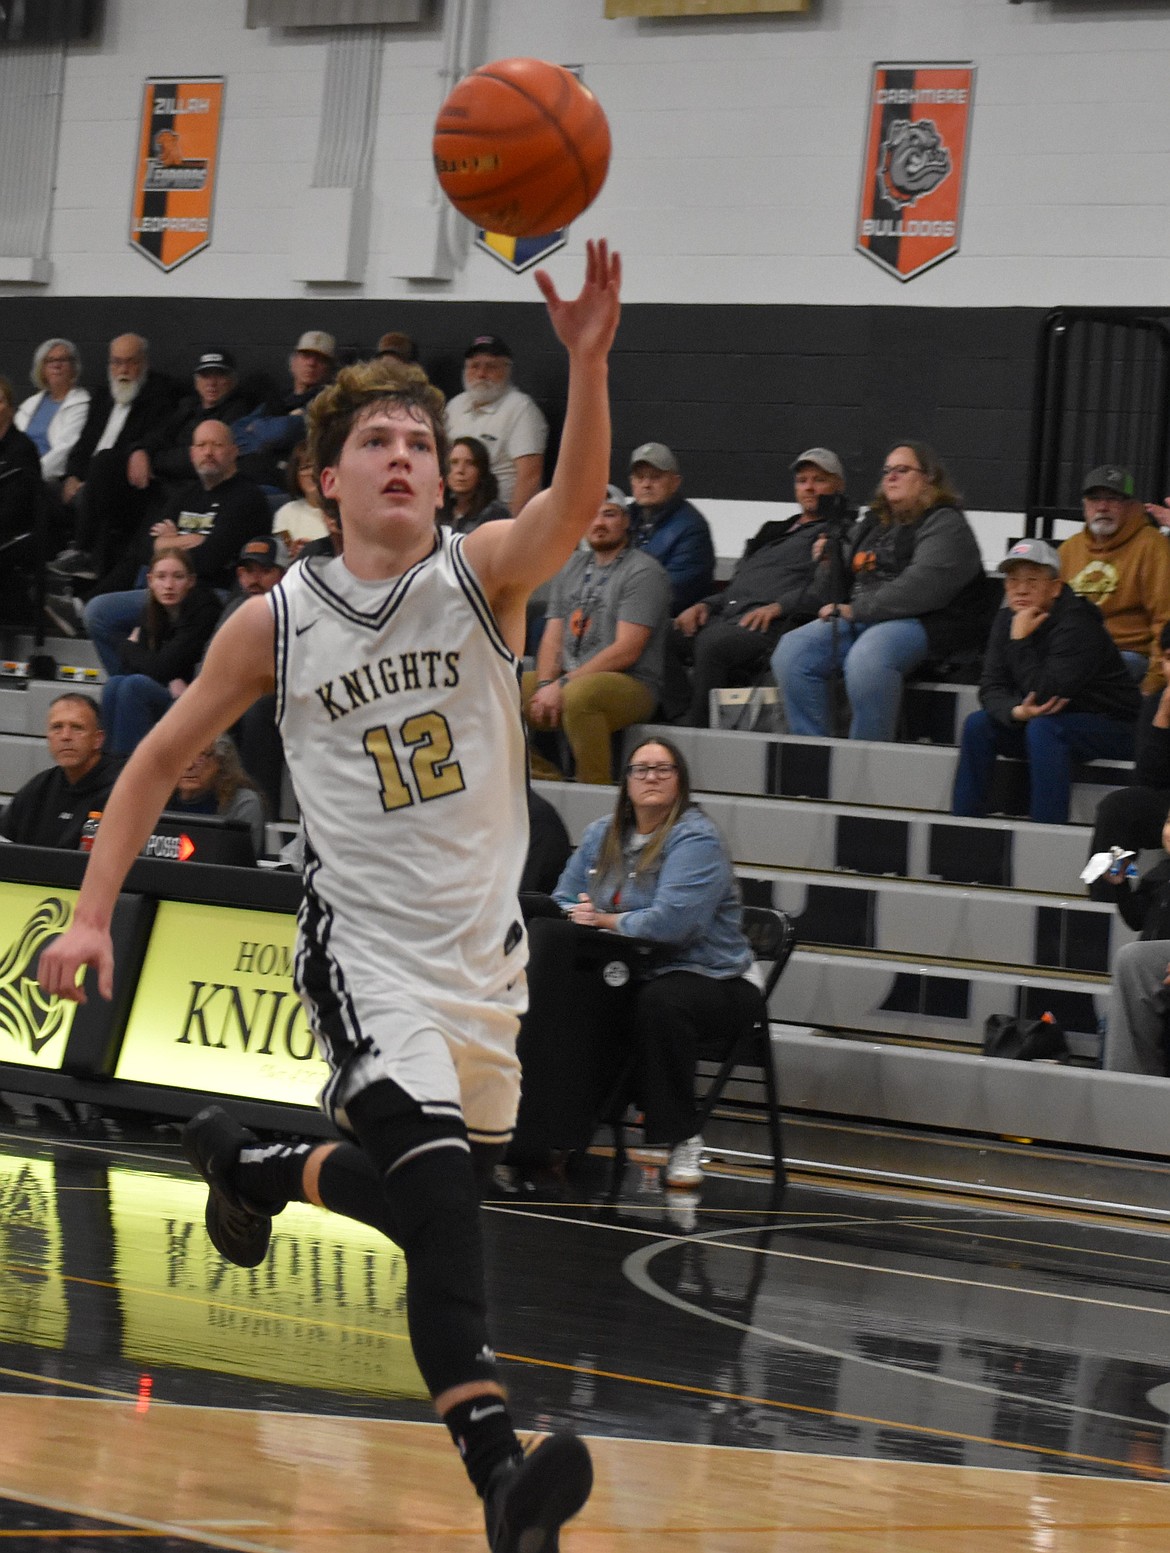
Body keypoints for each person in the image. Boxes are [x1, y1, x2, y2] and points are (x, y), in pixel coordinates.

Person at [38, 239, 622, 1553]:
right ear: (325, 478)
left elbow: (572, 502)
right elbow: (155, 757)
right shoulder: (280, 620)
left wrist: (585, 365)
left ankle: (251, 1160)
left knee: (422, 1193)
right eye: (379, 440)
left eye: (422, 435)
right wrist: (88, 910)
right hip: (358, 945)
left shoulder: (481, 577)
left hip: (484, 958)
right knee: (442, 1200)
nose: (407, 452)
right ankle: (499, 1473)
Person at [551, 737, 764, 1189]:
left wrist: (603, 919)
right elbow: (561, 899)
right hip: (636, 971)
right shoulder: (599, 835)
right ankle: (557, 1130)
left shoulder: (696, 838)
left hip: (716, 980)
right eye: (640, 769)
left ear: (680, 783)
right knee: (574, 994)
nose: (651, 777)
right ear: (625, 782)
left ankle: (683, 1138)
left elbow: (672, 925)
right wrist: (578, 913)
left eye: (663, 769)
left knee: (660, 1003)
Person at [772, 441, 984, 742]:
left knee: (869, 656)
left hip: (928, 622)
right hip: (867, 618)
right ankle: (815, 753)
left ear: (928, 478)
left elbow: (921, 588)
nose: (891, 477)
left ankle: (868, 755)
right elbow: (832, 586)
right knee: (792, 652)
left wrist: (856, 610)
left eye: (902, 470)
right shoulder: (874, 522)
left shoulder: (945, 523)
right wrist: (828, 561)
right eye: (887, 471)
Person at [951, 539, 1140, 826]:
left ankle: (1046, 831)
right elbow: (990, 686)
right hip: (1051, 719)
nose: (1021, 589)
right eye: (1013, 581)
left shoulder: (1078, 624)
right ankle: (963, 826)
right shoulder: (1007, 620)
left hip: (1113, 725)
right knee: (979, 725)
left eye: (1032, 580)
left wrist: (1020, 641)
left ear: (1055, 586)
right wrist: (1016, 712)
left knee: (1045, 729)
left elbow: (1047, 693)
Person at [670, 447, 843, 726]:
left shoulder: (840, 533)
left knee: (712, 645)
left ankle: (697, 727)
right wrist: (705, 604)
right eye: (802, 481)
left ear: (838, 486)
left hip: (775, 625)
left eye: (819, 480)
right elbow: (738, 585)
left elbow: (826, 593)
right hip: (729, 614)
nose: (809, 487)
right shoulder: (772, 530)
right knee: (662, 634)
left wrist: (778, 607)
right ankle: (675, 715)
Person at [80, 420, 271, 659]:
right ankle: (134, 675)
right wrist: (190, 539)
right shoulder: (185, 495)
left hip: (213, 594)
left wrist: (169, 541)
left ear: (234, 451)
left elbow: (210, 559)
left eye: (217, 445)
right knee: (97, 612)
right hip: (167, 589)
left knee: (102, 610)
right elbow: (147, 548)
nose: (208, 452)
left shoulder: (248, 497)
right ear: (192, 454)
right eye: (201, 445)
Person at [522, 487, 671, 784]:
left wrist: (562, 684)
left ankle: (594, 791)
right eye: (591, 515)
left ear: (626, 521)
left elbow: (626, 650)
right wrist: (545, 683)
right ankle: (541, 778)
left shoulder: (644, 572)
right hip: (569, 676)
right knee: (504, 686)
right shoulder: (572, 566)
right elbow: (553, 635)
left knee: (579, 698)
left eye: (609, 514)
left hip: (632, 681)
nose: (599, 523)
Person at [48, 334, 179, 578]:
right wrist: (72, 475)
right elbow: (84, 443)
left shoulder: (159, 395)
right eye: (117, 362)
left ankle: (84, 552)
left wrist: (142, 449)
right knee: (35, 487)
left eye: (130, 362)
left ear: (144, 363)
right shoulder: (102, 396)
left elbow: (163, 433)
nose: (123, 369)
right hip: (89, 480)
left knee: (104, 460)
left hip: (124, 484)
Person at [1059, 464, 1170, 695]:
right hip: (1073, 654)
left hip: (1128, 654)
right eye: (1095, 499)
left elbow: (1165, 619)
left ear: (1132, 506)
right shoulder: (1069, 549)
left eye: (1113, 499)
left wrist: (1153, 682)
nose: (1102, 506)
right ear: (1084, 505)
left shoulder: (1152, 546)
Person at [99, 548, 220, 756]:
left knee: (135, 686)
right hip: (172, 691)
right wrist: (166, 674)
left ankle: (127, 774)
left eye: (178, 577)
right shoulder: (153, 608)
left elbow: (160, 667)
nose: (169, 585)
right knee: (114, 684)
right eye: (161, 577)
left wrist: (129, 647)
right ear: (150, 580)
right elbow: (137, 667)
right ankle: (109, 768)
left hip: (200, 700)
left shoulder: (204, 608)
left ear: (191, 581)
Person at [1087, 621, 1170, 903]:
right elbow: (1146, 782)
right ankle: (1110, 892)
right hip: (1165, 805)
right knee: (1121, 806)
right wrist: (1162, 722)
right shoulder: (1158, 703)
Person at [1099, 807, 1170, 1075]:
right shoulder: (1159, 873)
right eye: (1169, 821)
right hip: (1156, 976)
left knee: (1132, 959)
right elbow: (1137, 919)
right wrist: (1120, 885)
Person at [444, 333, 548, 515]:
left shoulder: (521, 409)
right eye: (474, 366)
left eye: (490, 367)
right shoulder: (455, 406)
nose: (481, 374)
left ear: (507, 370)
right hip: (454, 516)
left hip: (496, 518)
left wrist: (511, 530)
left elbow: (530, 477)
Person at [0, 694, 121, 849]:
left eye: (77, 728)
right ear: (48, 737)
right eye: (57, 727)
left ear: (98, 739)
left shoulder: (120, 788)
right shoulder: (38, 788)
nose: (65, 736)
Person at [232, 330, 336, 496]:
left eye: (320, 359)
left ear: (329, 369)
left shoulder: (328, 401)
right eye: (305, 356)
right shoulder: (279, 398)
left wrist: (257, 430)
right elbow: (235, 431)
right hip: (247, 480)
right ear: (293, 362)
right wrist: (268, 430)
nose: (311, 363)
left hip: (282, 488)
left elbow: (283, 432)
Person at [626, 442, 715, 614]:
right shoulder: (622, 518)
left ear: (675, 482)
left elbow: (674, 591)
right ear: (632, 483)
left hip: (668, 622)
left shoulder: (692, 528)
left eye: (655, 477)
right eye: (640, 477)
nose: (646, 484)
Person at [166, 733, 266, 858]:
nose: (189, 765)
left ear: (221, 762)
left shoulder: (241, 803)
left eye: (200, 755)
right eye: (182, 756)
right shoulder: (155, 801)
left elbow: (238, 866)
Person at [14, 338, 90, 486]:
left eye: (63, 360)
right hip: (15, 472)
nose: (57, 365)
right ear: (42, 369)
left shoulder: (81, 404)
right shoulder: (29, 404)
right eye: (50, 360)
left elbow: (64, 451)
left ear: (74, 367)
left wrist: (28, 474)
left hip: (46, 479)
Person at [0, 375, 42, 550]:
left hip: (11, 538)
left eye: (0, 401)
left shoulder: (22, 449)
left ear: (11, 410)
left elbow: (16, 509)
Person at [441, 435, 510, 536]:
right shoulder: (437, 512)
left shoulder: (496, 515)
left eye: (470, 463)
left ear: (481, 471)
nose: (460, 470)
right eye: (454, 462)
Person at [271, 443, 330, 556]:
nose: (312, 473)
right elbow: (283, 556)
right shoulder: (286, 513)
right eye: (305, 467)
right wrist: (293, 553)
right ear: (296, 475)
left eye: (317, 467)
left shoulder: (344, 509)